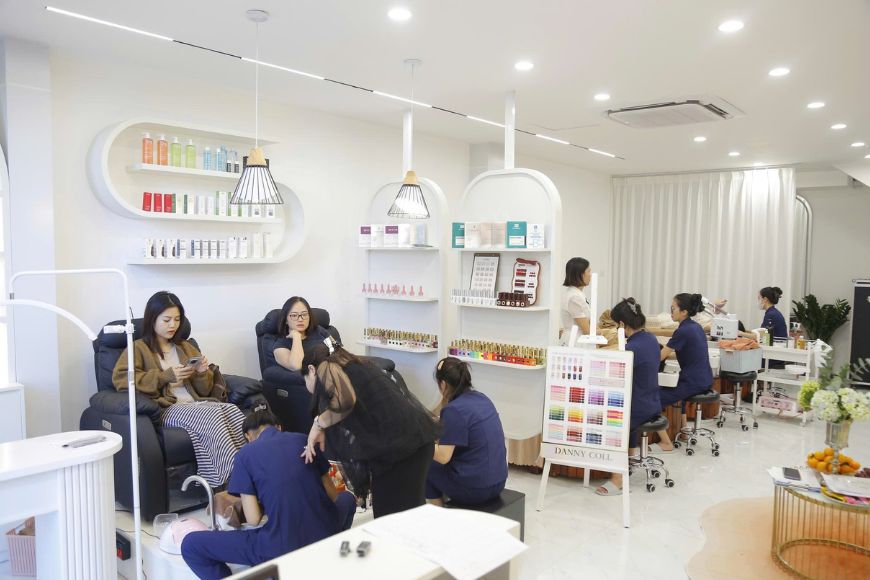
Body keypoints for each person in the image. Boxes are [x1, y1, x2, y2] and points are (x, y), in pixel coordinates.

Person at [181, 410, 356, 579]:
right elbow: (333, 496)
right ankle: (333, 555)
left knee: (191, 545)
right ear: (278, 427)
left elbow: (253, 519)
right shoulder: (303, 438)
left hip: (282, 546)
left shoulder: (244, 455)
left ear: (248, 437)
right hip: (326, 531)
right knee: (347, 498)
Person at [113, 291, 246, 487]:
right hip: (167, 408)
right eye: (166, 320)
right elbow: (122, 379)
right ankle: (232, 480)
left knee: (231, 410)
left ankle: (251, 467)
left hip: (195, 404)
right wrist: (165, 376)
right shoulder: (138, 348)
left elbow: (205, 390)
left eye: (177, 319)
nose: (173, 325)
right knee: (212, 416)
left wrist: (201, 373)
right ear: (152, 319)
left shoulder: (185, 347)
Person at [301, 343, 441, 518]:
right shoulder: (354, 365)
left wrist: (318, 424)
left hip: (401, 454)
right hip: (418, 446)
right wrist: (324, 424)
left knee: (390, 521)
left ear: (311, 369)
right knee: (409, 517)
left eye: (304, 379)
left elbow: (345, 402)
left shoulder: (325, 367)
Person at [596, 298, 670, 496]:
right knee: (626, 407)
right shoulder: (650, 339)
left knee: (612, 420)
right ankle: (627, 459)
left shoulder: (631, 349)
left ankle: (617, 480)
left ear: (622, 324)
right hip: (652, 402)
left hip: (639, 407)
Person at [426, 357, 507, 506]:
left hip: (475, 489)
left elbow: (443, 457)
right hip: (499, 481)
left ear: (443, 384)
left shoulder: (453, 410)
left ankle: (437, 512)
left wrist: (421, 441)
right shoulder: (482, 398)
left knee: (425, 461)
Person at [656, 293, 713, 441]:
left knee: (654, 398)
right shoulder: (696, 327)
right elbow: (686, 353)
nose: (670, 312)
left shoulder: (683, 331)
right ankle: (684, 432)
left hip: (693, 382)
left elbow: (660, 356)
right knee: (674, 392)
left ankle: (665, 442)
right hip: (705, 378)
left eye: (673, 308)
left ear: (684, 312)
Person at [272, 296, 332, 372]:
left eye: (304, 314)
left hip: (335, 369)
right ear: (286, 320)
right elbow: (296, 366)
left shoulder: (318, 330)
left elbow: (337, 349)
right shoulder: (280, 345)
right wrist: (296, 337)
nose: (300, 319)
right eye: (294, 315)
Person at [561, 257, 592, 343]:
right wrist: (606, 333)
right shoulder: (574, 297)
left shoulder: (577, 294)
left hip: (579, 339)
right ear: (581, 274)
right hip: (575, 341)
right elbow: (587, 331)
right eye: (588, 271)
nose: (590, 275)